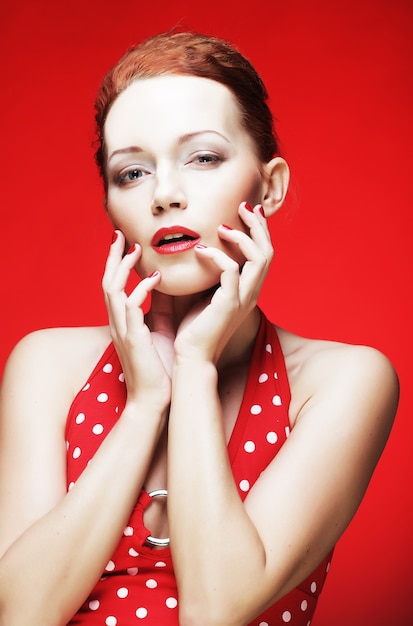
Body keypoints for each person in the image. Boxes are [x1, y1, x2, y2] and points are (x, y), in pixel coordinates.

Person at [0, 31, 399, 626]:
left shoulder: (342, 380)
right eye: (131, 172)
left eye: (203, 157)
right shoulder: (47, 365)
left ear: (271, 186)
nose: (165, 194)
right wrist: (144, 404)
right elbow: (20, 613)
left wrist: (194, 366)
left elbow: (217, 611)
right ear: (110, 206)